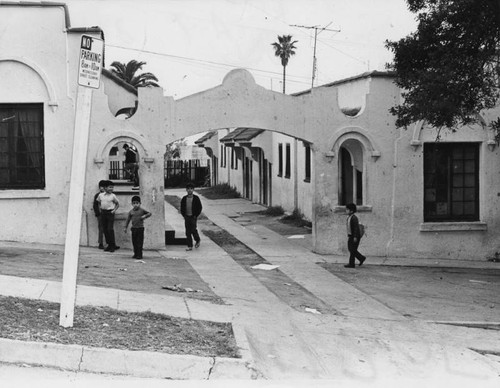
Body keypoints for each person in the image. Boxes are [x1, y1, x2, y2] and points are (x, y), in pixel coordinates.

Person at [124, 195, 152, 259]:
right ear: (132, 204)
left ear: (140, 203)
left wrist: (144, 216)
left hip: (140, 228)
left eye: (137, 203)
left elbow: (149, 213)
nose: (135, 205)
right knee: (134, 242)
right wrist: (125, 227)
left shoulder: (142, 210)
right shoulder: (131, 212)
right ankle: (135, 253)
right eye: (134, 203)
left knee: (139, 242)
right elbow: (128, 220)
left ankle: (139, 254)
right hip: (134, 229)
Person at [97, 180, 120, 252]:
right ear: (105, 188)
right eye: (110, 187)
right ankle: (109, 245)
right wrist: (100, 210)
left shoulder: (113, 196)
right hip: (103, 213)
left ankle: (113, 246)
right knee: (105, 229)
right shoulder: (101, 195)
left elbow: (117, 204)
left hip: (110, 213)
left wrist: (114, 210)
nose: (111, 189)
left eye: (112, 187)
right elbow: (98, 202)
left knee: (110, 229)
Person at [180, 182, 202, 251]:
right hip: (187, 216)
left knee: (193, 230)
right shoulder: (184, 198)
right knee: (188, 232)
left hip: (193, 217)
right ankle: (189, 246)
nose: (190, 190)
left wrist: (196, 215)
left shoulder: (196, 198)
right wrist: (184, 215)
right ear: (186, 190)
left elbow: (199, 207)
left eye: (191, 189)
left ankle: (197, 239)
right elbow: (182, 207)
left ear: (193, 190)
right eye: (188, 189)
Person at [344, 203, 366, 268]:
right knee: (351, 249)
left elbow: (356, 228)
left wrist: (355, 237)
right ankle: (361, 258)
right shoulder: (349, 217)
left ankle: (352, 264)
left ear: (352, 211)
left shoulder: (354, 218)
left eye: (347, 209)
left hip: (354, 236)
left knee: (352, 250)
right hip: (351, 235)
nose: (346, 211)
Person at [92, 180, 107, 249]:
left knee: (108, 229)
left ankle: (108, 243)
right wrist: (97, 213)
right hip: (100, 214)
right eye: (101, 187)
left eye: (103, 187)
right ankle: (100, 243)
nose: (102, 188)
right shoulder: (97, 195)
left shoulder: (108, 194)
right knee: (101, 229)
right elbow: (95, 205)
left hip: (107, 213)